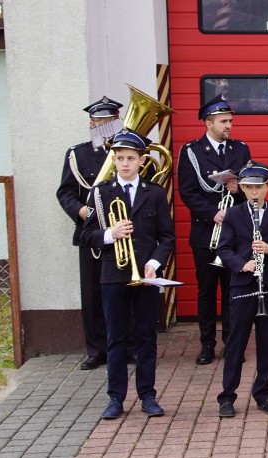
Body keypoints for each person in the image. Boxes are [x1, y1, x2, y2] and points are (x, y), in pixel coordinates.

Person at [80, 129, 176, 419]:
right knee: (116, 338)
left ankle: (147, 395)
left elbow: (167, 238)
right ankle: (115, 398)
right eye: (119, 158)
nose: (124, 164)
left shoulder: (155, 193)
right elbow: (86, 236)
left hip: (145, 276)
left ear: (141, 160)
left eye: (130, 158)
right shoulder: (101, 192)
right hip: (113, 275)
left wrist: (155, 264)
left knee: (146, 337)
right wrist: (111, 233)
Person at [177, 94, 252, 365]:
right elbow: (187, 191)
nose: (229, 125)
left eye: (230, 120)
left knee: (233, 290)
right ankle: (207, 344)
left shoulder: (240, 149)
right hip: (206, 232)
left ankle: (232, 343)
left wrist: (239, 190)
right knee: (207, 292)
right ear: (208, 123)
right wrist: (213, 213)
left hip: (234, 234)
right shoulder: (191, 152)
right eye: (223, 121)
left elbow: (251, 187)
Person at [216, 162, 268, 418]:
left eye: (259, 187)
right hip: (241, 286)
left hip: (267, 286)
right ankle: (227, 397)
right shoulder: (233, 214)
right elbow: (223, 249)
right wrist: (242, 264)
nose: (254, 192)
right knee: (236, 344)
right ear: (241, 187)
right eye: (248, 187)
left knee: (266, 343)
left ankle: (263, 394)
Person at [56, 96, 122, 370]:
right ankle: (97, 350)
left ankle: (127, 346)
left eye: (110, 121)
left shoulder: (126, 150)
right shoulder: (78, 154)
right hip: (92, 231)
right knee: (93, 292)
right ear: (91, 123)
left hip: (122, 230)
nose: (105, 126)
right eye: (100, 121)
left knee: (123, 289)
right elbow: (66, 192)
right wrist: (81, 212)